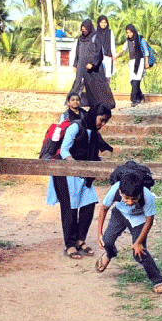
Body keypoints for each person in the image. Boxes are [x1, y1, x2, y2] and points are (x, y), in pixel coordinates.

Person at [47, 105, 114, 259]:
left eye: (105, 122)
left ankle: (79, 240)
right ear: (94, 115)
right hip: (66, 173)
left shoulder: (94, 133)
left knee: (89, 205)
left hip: (83, 175)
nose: (102, 124)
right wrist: (77, 167)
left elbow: (90, 152)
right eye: (101, 120)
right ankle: (69, 245)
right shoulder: (75, 127)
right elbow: (64, 150)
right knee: (70, 208)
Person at [94, 170, 162, 294]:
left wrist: (138, 243)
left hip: (139, 219)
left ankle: (157, 280)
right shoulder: (115, 189)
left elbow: (149, 221)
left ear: (140, 194)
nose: (129, 202)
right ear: (120, 192)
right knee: (107, 241)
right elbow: (104, 209)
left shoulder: (147, 196)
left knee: (139, 252)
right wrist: (99, 233)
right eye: (126, 198)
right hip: (120, 214)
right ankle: (110, 254)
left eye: (134, 199)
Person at [69, 19, 116, 109]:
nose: (84, 31)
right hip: (81, 64)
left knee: (96, 85)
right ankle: (71, 102)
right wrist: (75, 65)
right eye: (82, 30)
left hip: (93, 67)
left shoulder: (96, 37)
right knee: (77, 83)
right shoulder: (80, 39)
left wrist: (93, 64)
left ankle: (104, 103)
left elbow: (99, 53)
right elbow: (77, 53)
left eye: (85, 29)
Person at [115, 24, 149, 106]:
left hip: (140, 61)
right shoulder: (128, 41)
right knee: (132, 80)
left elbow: (146, 51)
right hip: (132, 61)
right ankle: (140, 95)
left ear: (133, 31)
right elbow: (123, 49)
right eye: (127, 32)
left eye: (130, 32)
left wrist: (146, 62)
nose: (129, 34)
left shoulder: (141, 39)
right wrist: (116, 55)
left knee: (136, 80)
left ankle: (134, 99)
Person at [95, 15, 115, 83]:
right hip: (97, 57)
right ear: (98, 23)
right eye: (102, 22)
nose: (103, 24)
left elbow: (112, 45)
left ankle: (106, 92)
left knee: (107, 76)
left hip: (107, 57)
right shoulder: (95, 32)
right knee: (98, 76)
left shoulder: (110, 32)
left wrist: (114, 57)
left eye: (105, 22)